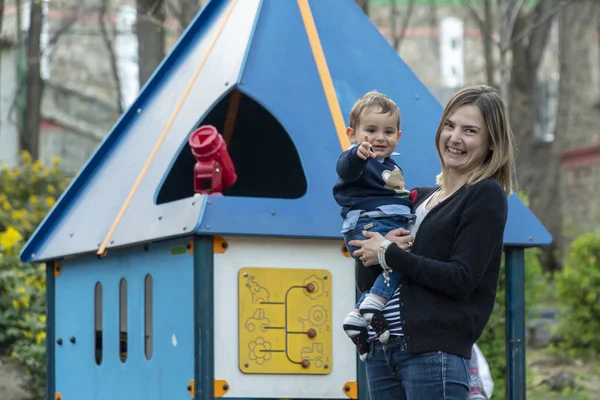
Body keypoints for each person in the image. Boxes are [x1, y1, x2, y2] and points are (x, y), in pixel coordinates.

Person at [349, 85, 514, 400]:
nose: (454, 138)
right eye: (450, 126)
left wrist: (388, 252)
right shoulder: (414, 198)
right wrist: (366, 239)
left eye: (470, 131)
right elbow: (369, 278)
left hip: (434, 353)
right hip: (383, 352)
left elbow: (461, 278)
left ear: (491, 143)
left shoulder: (484, 195)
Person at [333, 91, 415, 360]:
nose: (380, 137)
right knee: (402, 259)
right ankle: (374, 304)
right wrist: (357, 154)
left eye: (388, 131)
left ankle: (357, 318)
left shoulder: (388, 163)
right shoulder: (358, 159)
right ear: (352, 134)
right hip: (371, 223)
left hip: (377, 221)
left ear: (398, 136)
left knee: (393, 263)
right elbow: (346, 169)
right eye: (371, 130)